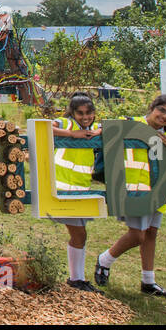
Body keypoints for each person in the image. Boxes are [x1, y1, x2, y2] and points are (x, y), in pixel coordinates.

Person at [94, 95, 166, 298]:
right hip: (134, 190)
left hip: (158, 195)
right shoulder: (131, 124)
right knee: (137, 235)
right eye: (162, 110)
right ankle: (104, 260)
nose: (164, 116)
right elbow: (106, 133)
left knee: (151, 234)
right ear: (153, 107)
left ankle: (148, 282)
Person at [49, 93, 102, 291]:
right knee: (79, 233)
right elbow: (47, 127)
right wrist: (73, 135)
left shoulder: (91, 129)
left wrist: (97, 131)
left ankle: (78, 278)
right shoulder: (67, 124)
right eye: (80, 113)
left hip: (79, 189)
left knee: (81, 234)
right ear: (73, 113)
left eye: (89, 113)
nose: (85, 117)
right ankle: (76, 279)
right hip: (65, 189)